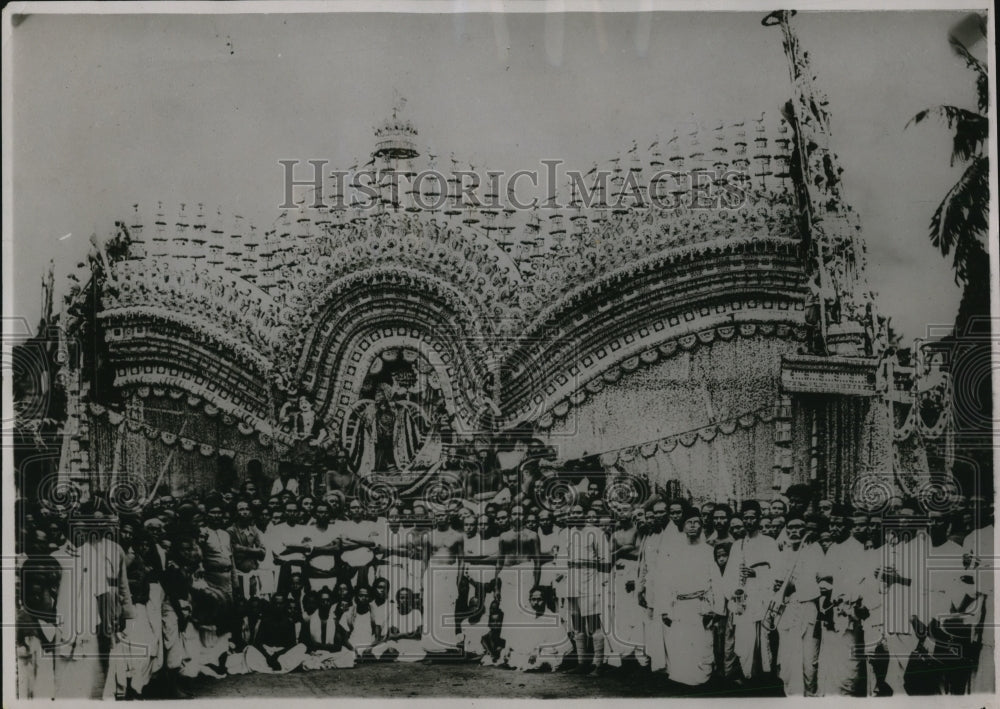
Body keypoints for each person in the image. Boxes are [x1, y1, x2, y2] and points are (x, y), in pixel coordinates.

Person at [652, 508, 723, 687]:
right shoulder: (675, 551)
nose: (692, 526)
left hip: (701, 605)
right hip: (679, 606)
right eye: (689, 523)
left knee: (702, 644)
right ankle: (681, 680)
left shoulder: (708, 551)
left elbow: (716, 581)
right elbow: (666, 581)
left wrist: (716, 609)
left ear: (701, 525)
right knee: (680, 643)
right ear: (683, 526)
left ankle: (701, 681)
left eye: (696, 522)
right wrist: (665, 609)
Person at [723, 500, 779, 686]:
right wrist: (734, 592)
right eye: (745, 518)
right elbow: (729, 576)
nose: (748, 521)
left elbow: (778, 573)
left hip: (763, 601)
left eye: (752, 517)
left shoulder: (769, 543)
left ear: (759, 518)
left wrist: (758, 574)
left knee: (764, 640)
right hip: (744, 601)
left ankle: (765, 679)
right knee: (744, 642)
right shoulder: (737, 545)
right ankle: (748, 677)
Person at [772, 514, 821, 696]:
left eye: (798, 527)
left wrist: (794, 586)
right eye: (790, 528)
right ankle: (792, 697)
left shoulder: (813, 552)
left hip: (807, 609)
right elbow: (776, 582)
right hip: (787, 610)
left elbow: (818, 584)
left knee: (808, 660)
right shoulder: (782, 554)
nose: (794, 531)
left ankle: (810, 696)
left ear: (805, 530)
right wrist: (778, 586)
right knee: (788, 658)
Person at [564, 503, 612, 675]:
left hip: (589, 581)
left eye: (579, 512)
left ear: (585, 513)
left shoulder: (596, 532)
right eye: (572, 512)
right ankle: (582, 662)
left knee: (593, 624)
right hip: (572, 581)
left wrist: (603, 582)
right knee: (577, 625)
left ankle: (599, 664)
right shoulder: (568, 533)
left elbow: (605, 558)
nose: (575, 515)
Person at [421, 508, 464, 651]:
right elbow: (424, 560)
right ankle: (430, 645)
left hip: (449, 573)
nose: (440, 518)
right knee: (432, 609)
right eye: (438, 515)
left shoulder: (457, 536)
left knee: (447, 609)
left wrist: (458, 581)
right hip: (433, 573)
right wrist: (422, 581)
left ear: (448, 517)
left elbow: (461, 561)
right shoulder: (428, 536)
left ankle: (447, 643)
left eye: (443, 515)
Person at [502, 586, 573, 672]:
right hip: (528, 652)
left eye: (539, 599)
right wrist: (509, 647)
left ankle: (539, 664)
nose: (536, 602)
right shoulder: (525, 617)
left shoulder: (552, 618)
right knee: (511, 655)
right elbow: (517, 637)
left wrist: (537, 650)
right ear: (530, 601)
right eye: (533, 599)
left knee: (545, 658)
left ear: (545, 600)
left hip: (545, 651)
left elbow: (555, 642)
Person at [372, 586, 426, 662]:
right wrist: (407, 634)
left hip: (412, 642)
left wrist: (400, 635)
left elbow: (418, 634)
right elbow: (391, 634)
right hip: (397, 642)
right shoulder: (394, 613)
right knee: (377, 649)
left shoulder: (416, 613)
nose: (404, 600)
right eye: (402, 598)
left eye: (407, 598)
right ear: (398, 599)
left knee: (415, 652)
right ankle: (392, 653)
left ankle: (394, 655)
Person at [229, 499, 267, 599]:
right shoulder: (231, 531)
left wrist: (242, 549)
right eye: (241, 509)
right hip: (238, 575)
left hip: (253, 574)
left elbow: (262, 554)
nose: (245, 512)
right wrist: (255, 551)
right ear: (236, 512)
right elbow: (233, 552)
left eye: (247, 509)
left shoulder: (254, 530)